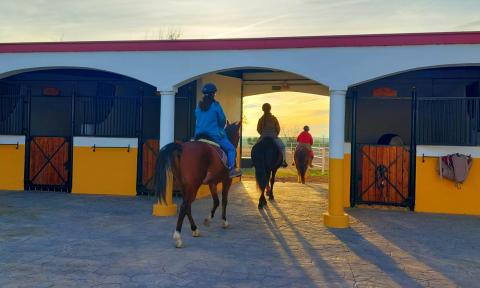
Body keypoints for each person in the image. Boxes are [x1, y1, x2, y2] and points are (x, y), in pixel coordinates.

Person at [194, 83, 241, 177]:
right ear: (213, 94)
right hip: (214, 136)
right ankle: (231, 170)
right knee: (231, 149)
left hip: (198, 136)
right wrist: (219, 127)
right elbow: (222, 120)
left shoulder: (198, 107)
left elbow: (197, 118)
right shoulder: (216, 105)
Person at [256, 103, 288, 168]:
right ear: (270, 109)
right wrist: (275, 135)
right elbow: (278, 129)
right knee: (282, 147)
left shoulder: (260, 119)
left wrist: (263, 134)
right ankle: (283, 161)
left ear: (263, 109)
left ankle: (254, 161)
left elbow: (258, 129)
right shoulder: (274, 118)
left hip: (263, 137)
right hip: (273, 137)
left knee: (255, 147)